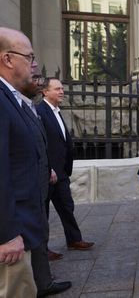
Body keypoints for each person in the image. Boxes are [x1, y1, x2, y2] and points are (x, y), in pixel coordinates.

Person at [0, 26, 44, 298]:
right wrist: (6, 234)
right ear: (7, 59)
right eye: (29, 57)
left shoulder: (10, 98)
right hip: (10, 240)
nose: (34, 63)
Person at [20, 73, 71, 297]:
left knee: (58, 212)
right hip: (39, 176)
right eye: (57, 89)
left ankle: (44, 279)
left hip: (54, 172)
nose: (61, 92)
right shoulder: (34, 110)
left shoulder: (43, 110)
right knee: (41, 220)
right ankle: (42, 278)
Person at [36, 78, 94, 251]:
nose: (61, 91)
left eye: (62, 88)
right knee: (43, 213)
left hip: (61, 172)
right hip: (48, 173)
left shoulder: (56, 111)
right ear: (45, 92)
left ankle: (74, 240)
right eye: (57, 89)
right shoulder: (40, 111)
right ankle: (43, 250)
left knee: (67, 207)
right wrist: (48, 168)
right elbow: (41, 143)